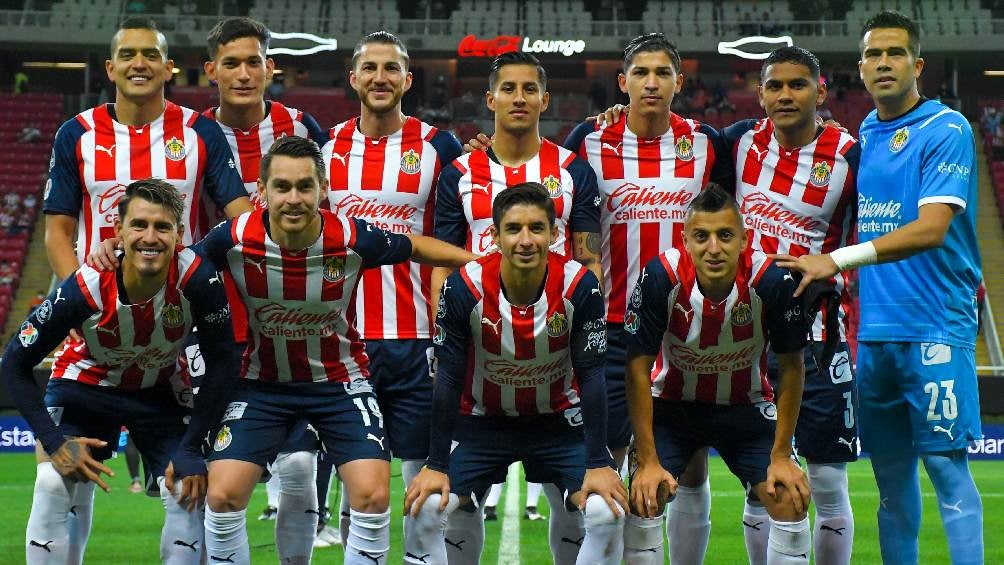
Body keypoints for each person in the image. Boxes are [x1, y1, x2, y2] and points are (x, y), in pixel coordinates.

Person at [173, 135, 476, 565]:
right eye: (281, 186)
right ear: (262, 192)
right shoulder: (233, 238)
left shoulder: (350, 236)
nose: (293, 198)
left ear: (323, 189)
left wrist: (479, 263)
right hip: (262, 384)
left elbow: (417, 246)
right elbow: (180, 271)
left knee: (372, 496)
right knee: (222, 496)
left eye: (304, 187)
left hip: (339, 382)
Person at [776, 11, 984, 564]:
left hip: (937, 325)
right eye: (873, 54)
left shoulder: (947, 129)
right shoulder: (864, 134)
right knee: (890, 483)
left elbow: (932, 227)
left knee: (945, 467)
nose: (884, 63)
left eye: (895, 53)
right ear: (861, 70)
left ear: (917, 64)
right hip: (872, 335)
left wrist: (835, 260)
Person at [44, 18, 247, 557]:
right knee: (59, 478)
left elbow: (240, 218)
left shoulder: (201, 134)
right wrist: (82, 301)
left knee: (190, 484)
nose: (139, 64)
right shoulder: (77, 134)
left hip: (177, 335)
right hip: (93, 333)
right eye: (128, 55)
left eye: (150, 55)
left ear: (167, 67)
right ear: (111, 68)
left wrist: (190, 268)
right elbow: (58, 230)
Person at [0, 179, 240, 565]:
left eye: (162, 227)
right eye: (139, 225)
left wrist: (194, 447)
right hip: (85, 383)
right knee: (52, 481)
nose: (150, 237)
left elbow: (225, 361)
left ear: (179, 235)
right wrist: (55, 442)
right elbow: (13, 364)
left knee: (189, 490)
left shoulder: (198, 278)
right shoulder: (85, 287)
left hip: (160, 388)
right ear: (119, 233)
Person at [561, 33, 733, 564]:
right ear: (623, 82)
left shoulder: (707, 144)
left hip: (688, 327)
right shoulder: (587, 141)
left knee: (690, 463)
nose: (652, 82)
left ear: (680, 83)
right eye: (641, 73)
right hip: (614, 325)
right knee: (613, 460)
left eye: (663, 73)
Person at [433, 50, 602, 564]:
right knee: (455, 504)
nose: (519, 97)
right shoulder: (459, 171)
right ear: (490, 99)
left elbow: (586, 266)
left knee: (571, 502)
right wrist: (445, 336)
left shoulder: (573, 170)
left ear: (545, 99)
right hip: (479, 354)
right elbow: (444, 264)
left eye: (530, 88)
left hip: (555, 354)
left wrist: (571, 335)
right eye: (508, 88)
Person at [405, 183, 627, 565]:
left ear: (554, 234)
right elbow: (449, 377)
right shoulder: (463, 287)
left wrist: (598, 462)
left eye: (536, 228)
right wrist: (436, 464)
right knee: (426, 508)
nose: (525, 240)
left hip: (559, 421)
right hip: (481, 422)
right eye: (513, 229)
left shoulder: (580, 285)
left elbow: (592, 376)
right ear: (494, 235)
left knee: (606, 512)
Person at [700, 46, 861, 565]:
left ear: (820, 91)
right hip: (746, 340)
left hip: (816, 339)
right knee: (759, 484)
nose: (785, 95)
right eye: (775, 85)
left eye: (797, 84)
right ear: (761, 92)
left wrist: (838, 265)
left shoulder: (851, 155)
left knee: (827, 480)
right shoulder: (738, 142)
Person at [320, 31, 463, 559]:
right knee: (364, 496)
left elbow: (458, 233)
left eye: (391, 69)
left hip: (418, 339)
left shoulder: (439, 147)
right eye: (370, 68)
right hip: (343, 340)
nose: (380, 77)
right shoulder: (325, 148)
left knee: (424, 491)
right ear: (353, 78)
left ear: (407, 80)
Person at [625, 183, 814, 565]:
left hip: (745, 409)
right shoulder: (660, 277)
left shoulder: (772, 282)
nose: (714, 248)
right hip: (673, 408)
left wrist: (781, 454)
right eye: (702, 236)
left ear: (744, 240)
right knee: (645, 499)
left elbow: (792, 368)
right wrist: (646, 460)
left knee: (790, 499)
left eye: (725, 235)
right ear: (686, 240)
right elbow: (637, 368)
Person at [201, 17, 332, 559]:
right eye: (231, 62)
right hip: (210, 321)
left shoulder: (303, 125)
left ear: (271, 67)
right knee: (205, 479)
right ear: (210, 71)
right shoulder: (189, 132)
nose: (244, 72)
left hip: (294, 318)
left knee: (299, 464)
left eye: (254, 61)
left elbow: (337, 202)